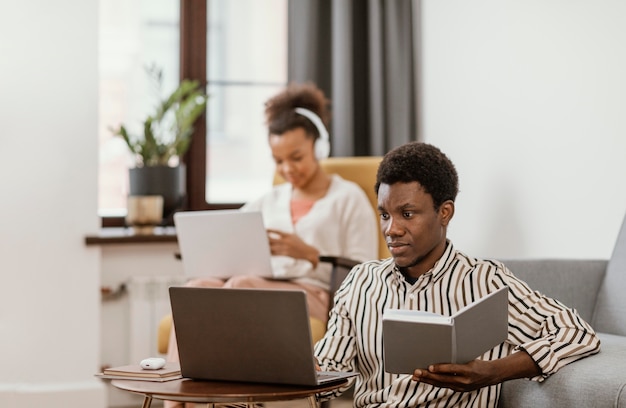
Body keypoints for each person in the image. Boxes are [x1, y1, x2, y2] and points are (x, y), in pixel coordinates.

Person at [313, 141, 601, 408]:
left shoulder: (485, 281)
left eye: (408, 214)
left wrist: (493, 372)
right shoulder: (361, 281)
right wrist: (300, 370)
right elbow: (330, 371)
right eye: (385, 215)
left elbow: (576, 332)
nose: (392, 229)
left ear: (445, 212)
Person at [165, 82, 378, 371]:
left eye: (297, 157)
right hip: (260, 285)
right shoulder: (268, 201)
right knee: (196, 289)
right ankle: (179, 400)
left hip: (315, 294)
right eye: (279, 161)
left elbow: (367, 269)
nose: (288, 169)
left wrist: (310, 254)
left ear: (320, 147)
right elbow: (225, 234)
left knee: (242, 285)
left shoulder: (348, 197)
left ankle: (224, 395)